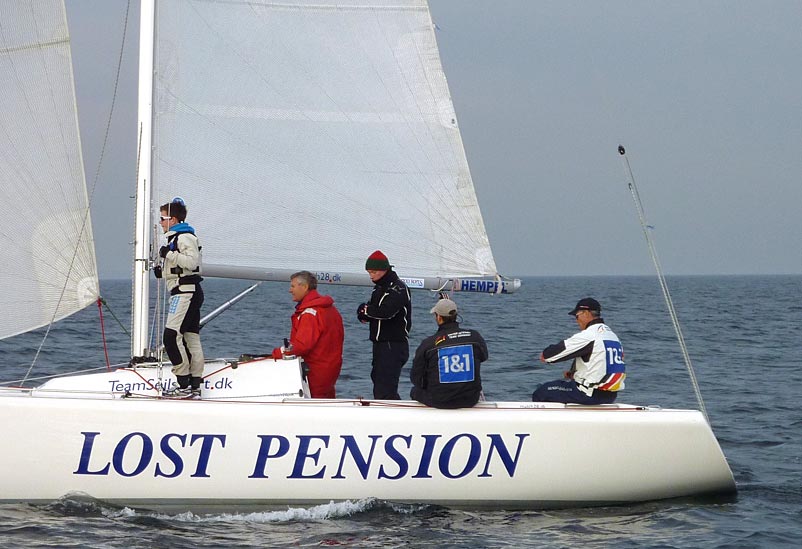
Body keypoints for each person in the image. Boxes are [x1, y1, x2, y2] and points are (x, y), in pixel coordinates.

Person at [154, 198, 205, 398]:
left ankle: (183, 384)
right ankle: (194, 385)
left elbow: (191, 263)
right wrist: (163, 271)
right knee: (190, 337)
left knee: (171, 336)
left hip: (186, 292)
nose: (160, 223)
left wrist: (168, 255)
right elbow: (180, 266)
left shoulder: (184, 237)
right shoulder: (176, 238)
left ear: (173, 219)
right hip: (183, 290)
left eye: (162, 218)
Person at [533, 297, 626, 404]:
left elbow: (548, 356)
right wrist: (573, 373)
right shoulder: (612, 336)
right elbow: (600, 362)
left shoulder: (590, 335)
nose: (576, 320)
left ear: (586, 313)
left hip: (588, 394)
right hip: (610, 396)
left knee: (542, 391)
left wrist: (545, 354)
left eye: (576, 316)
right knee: (565, 385)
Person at [272, 271, 344, 398]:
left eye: (293, 286)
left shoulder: (310, 313)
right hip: (330, 370)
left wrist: (279, 353)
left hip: (314, 372)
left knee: (314, 405)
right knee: (326, 405)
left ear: (304, 287)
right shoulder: (330, 310)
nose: (290, 290)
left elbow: (302, 345)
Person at [410, 298, 488, 409]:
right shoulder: (475, 337)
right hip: (470, 399)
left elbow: (417, 379)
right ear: (456, 315)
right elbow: (484, 357)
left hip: (439, 400)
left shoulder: (428, 344)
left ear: (439, 318)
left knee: (415, 391)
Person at [356, 250, 412, 399]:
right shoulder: (379, 288)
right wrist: (363, 312)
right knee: (378, 381)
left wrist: (367, 311)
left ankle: (393, 415)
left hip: (393, 344)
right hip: (380, 344)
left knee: (386, 387)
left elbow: (386, 312)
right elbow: (371, 310)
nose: (371, 276)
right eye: (369, 272)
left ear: (384, 270)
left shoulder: (398, 288)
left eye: (373, 272)